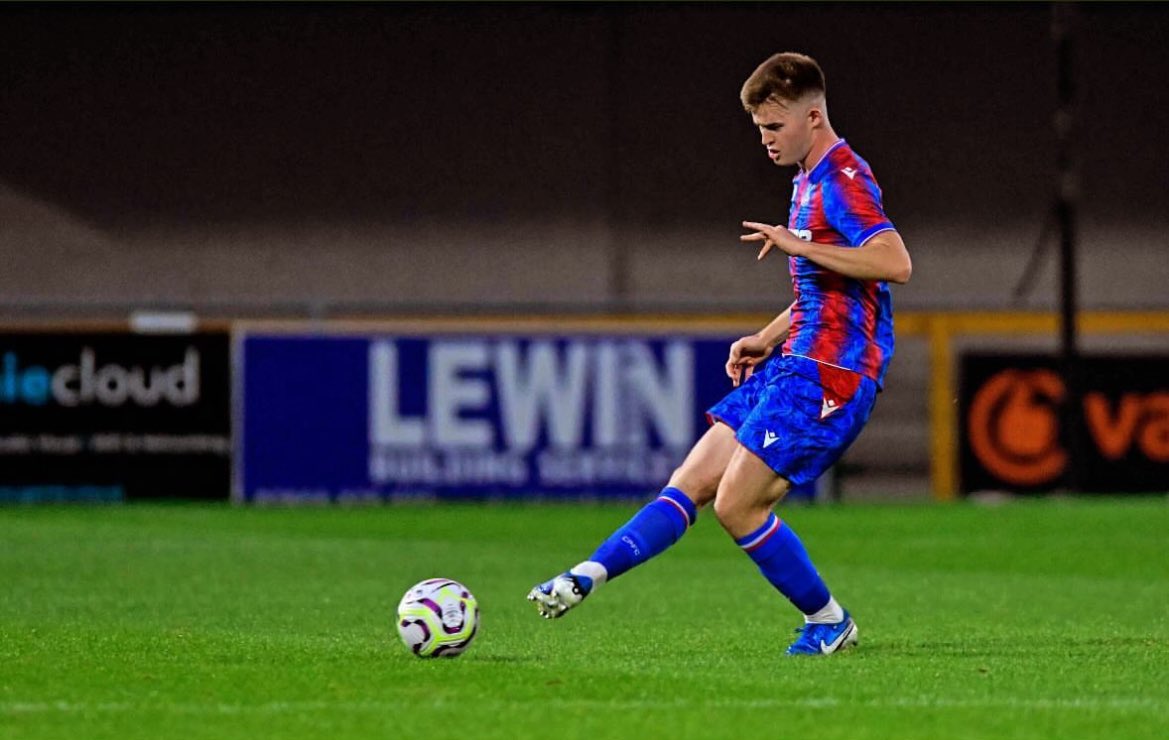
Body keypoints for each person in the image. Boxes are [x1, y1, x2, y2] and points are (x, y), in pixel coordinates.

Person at [527, 52, 912, 656]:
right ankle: (585, 576)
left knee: (737, 504)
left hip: (832, 375)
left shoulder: (843, 178)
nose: (765, 139)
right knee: (691, 482)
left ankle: (828, 620)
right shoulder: (807, 181)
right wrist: (768, 335)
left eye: (774, 127)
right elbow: (830, 290)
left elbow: (894, 263)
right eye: (759, 128)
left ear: (813, 117)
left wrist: (790, 243)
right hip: (795, 363)